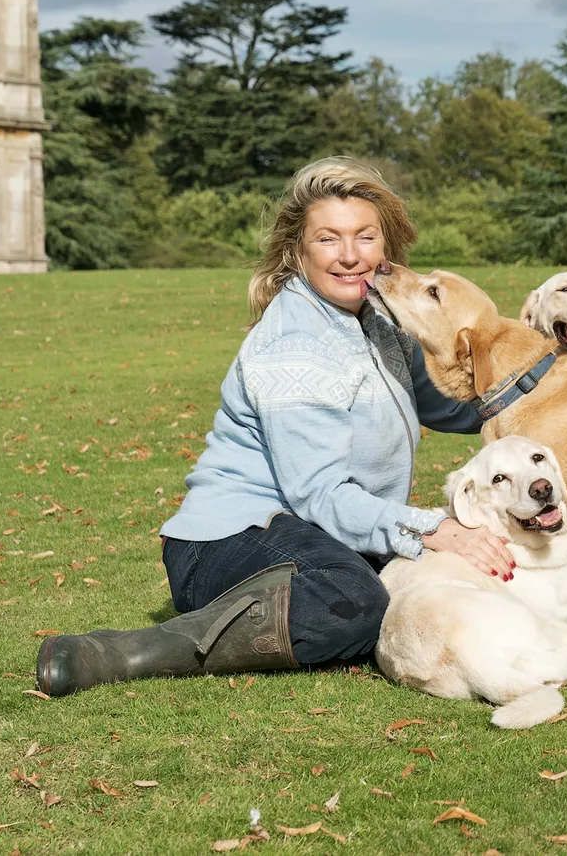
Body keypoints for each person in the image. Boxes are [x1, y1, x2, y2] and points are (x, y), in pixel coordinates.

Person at [36, 157, 517, 696]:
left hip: (318, 534)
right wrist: (433, 528)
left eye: (366, 236)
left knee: (401, 587)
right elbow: (318, 494)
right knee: (358, 604)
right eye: (328, 239)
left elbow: (453, 405)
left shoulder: (381, 321)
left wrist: (548, 384)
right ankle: (116, 653)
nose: (351, 256)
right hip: (231, 539)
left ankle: (304, 606)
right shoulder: (295, 344)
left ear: (387, 245)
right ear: (300, 250)